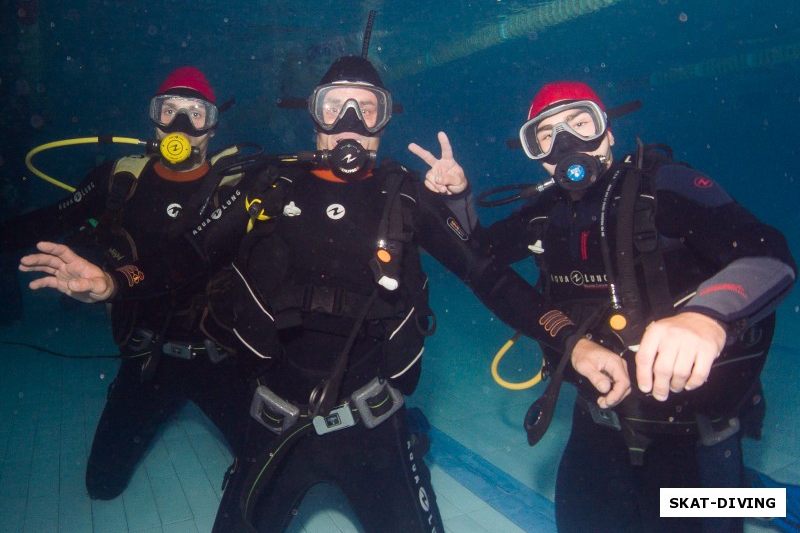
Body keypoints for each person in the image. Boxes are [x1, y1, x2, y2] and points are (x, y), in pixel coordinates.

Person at [17, 59, 633, 533]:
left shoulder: (405, 195)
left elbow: (489, 277)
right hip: (272, 424)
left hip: (374, 427)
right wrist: (115, 281)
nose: (348, 125)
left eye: (365, 111)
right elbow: (190, 255)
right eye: (334, 107)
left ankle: (412, 436)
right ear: (312, 116)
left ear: (384, 121)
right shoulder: (267, 183)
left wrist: (569, 342)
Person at [409, 81, 796, 533]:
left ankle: (753, 496)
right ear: (537, 152)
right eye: (547, 135)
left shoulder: (663, 186)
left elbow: (769, 253)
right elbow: (483, 259)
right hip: (598, 420)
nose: (566, 143)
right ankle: (742, 495)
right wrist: (458, 198)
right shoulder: (544, 212)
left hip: (695, 430)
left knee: (692, 517)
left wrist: (705, 318)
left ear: (607, 132)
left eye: (580, 123)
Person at [2, 66, 253, 500]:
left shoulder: (236, 190)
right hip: (146, 356)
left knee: (273, 464)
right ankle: (160, 402)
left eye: (195, 113)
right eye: (168, 110)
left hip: (223, 361)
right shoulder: (121, 179)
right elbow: (51, 218)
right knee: (101, 485)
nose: (179, 125)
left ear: (213, 126)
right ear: (152, 119)